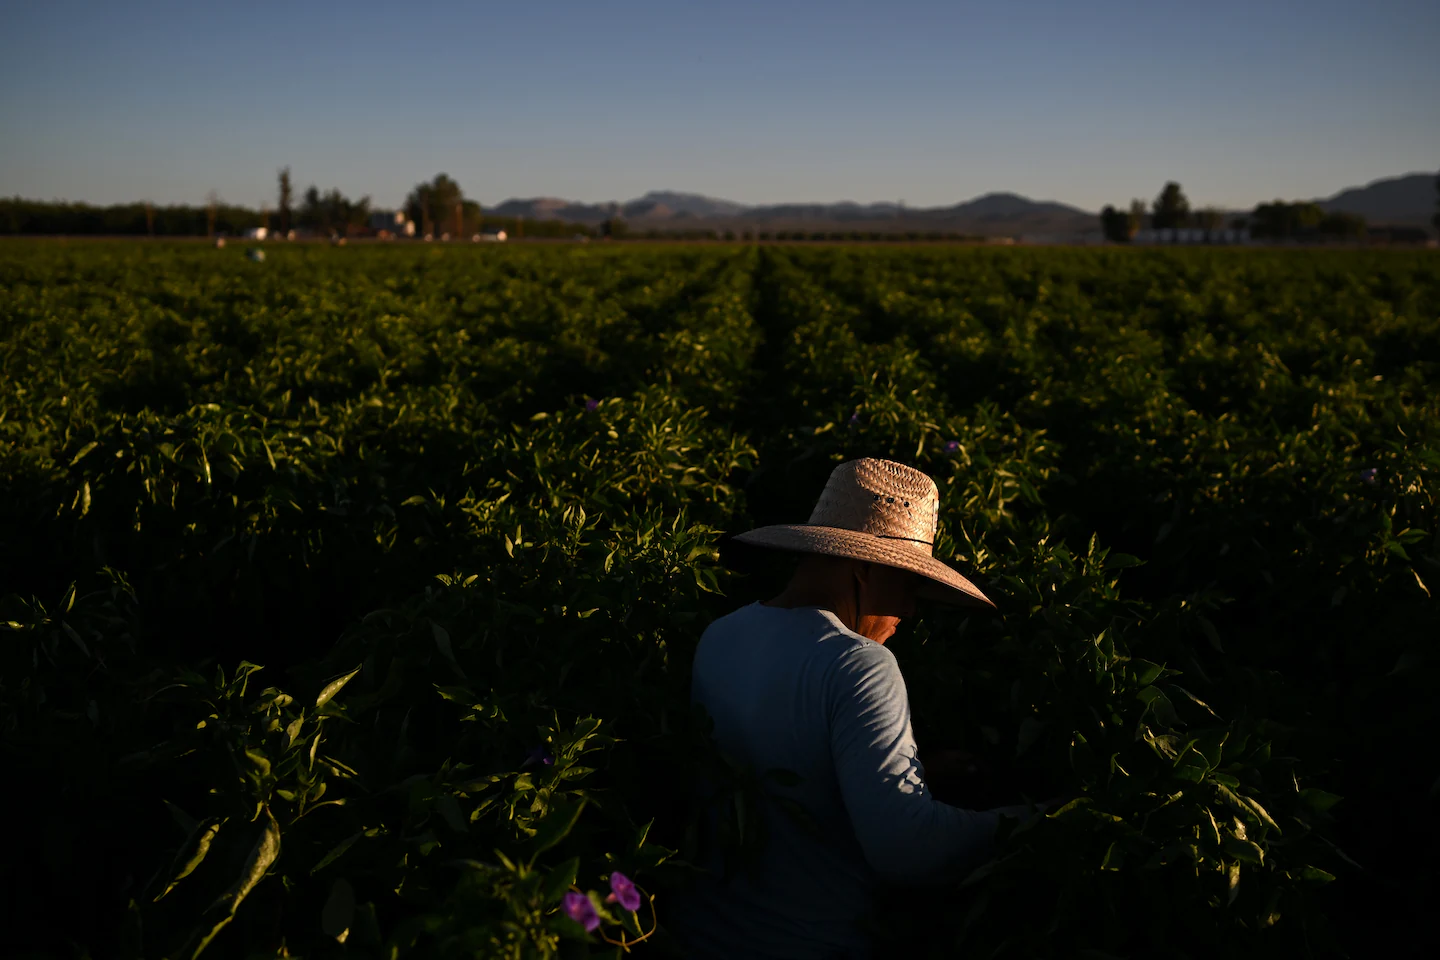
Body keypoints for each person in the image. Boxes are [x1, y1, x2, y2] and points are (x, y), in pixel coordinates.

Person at [667, 457, 1044, 959]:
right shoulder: (858, 663)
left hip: (698, 937)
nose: (908, 610)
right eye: (907, 585)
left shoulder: (721, 635)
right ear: (863, 568)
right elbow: (907, 849)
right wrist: (1035, 820)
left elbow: (783, 775)